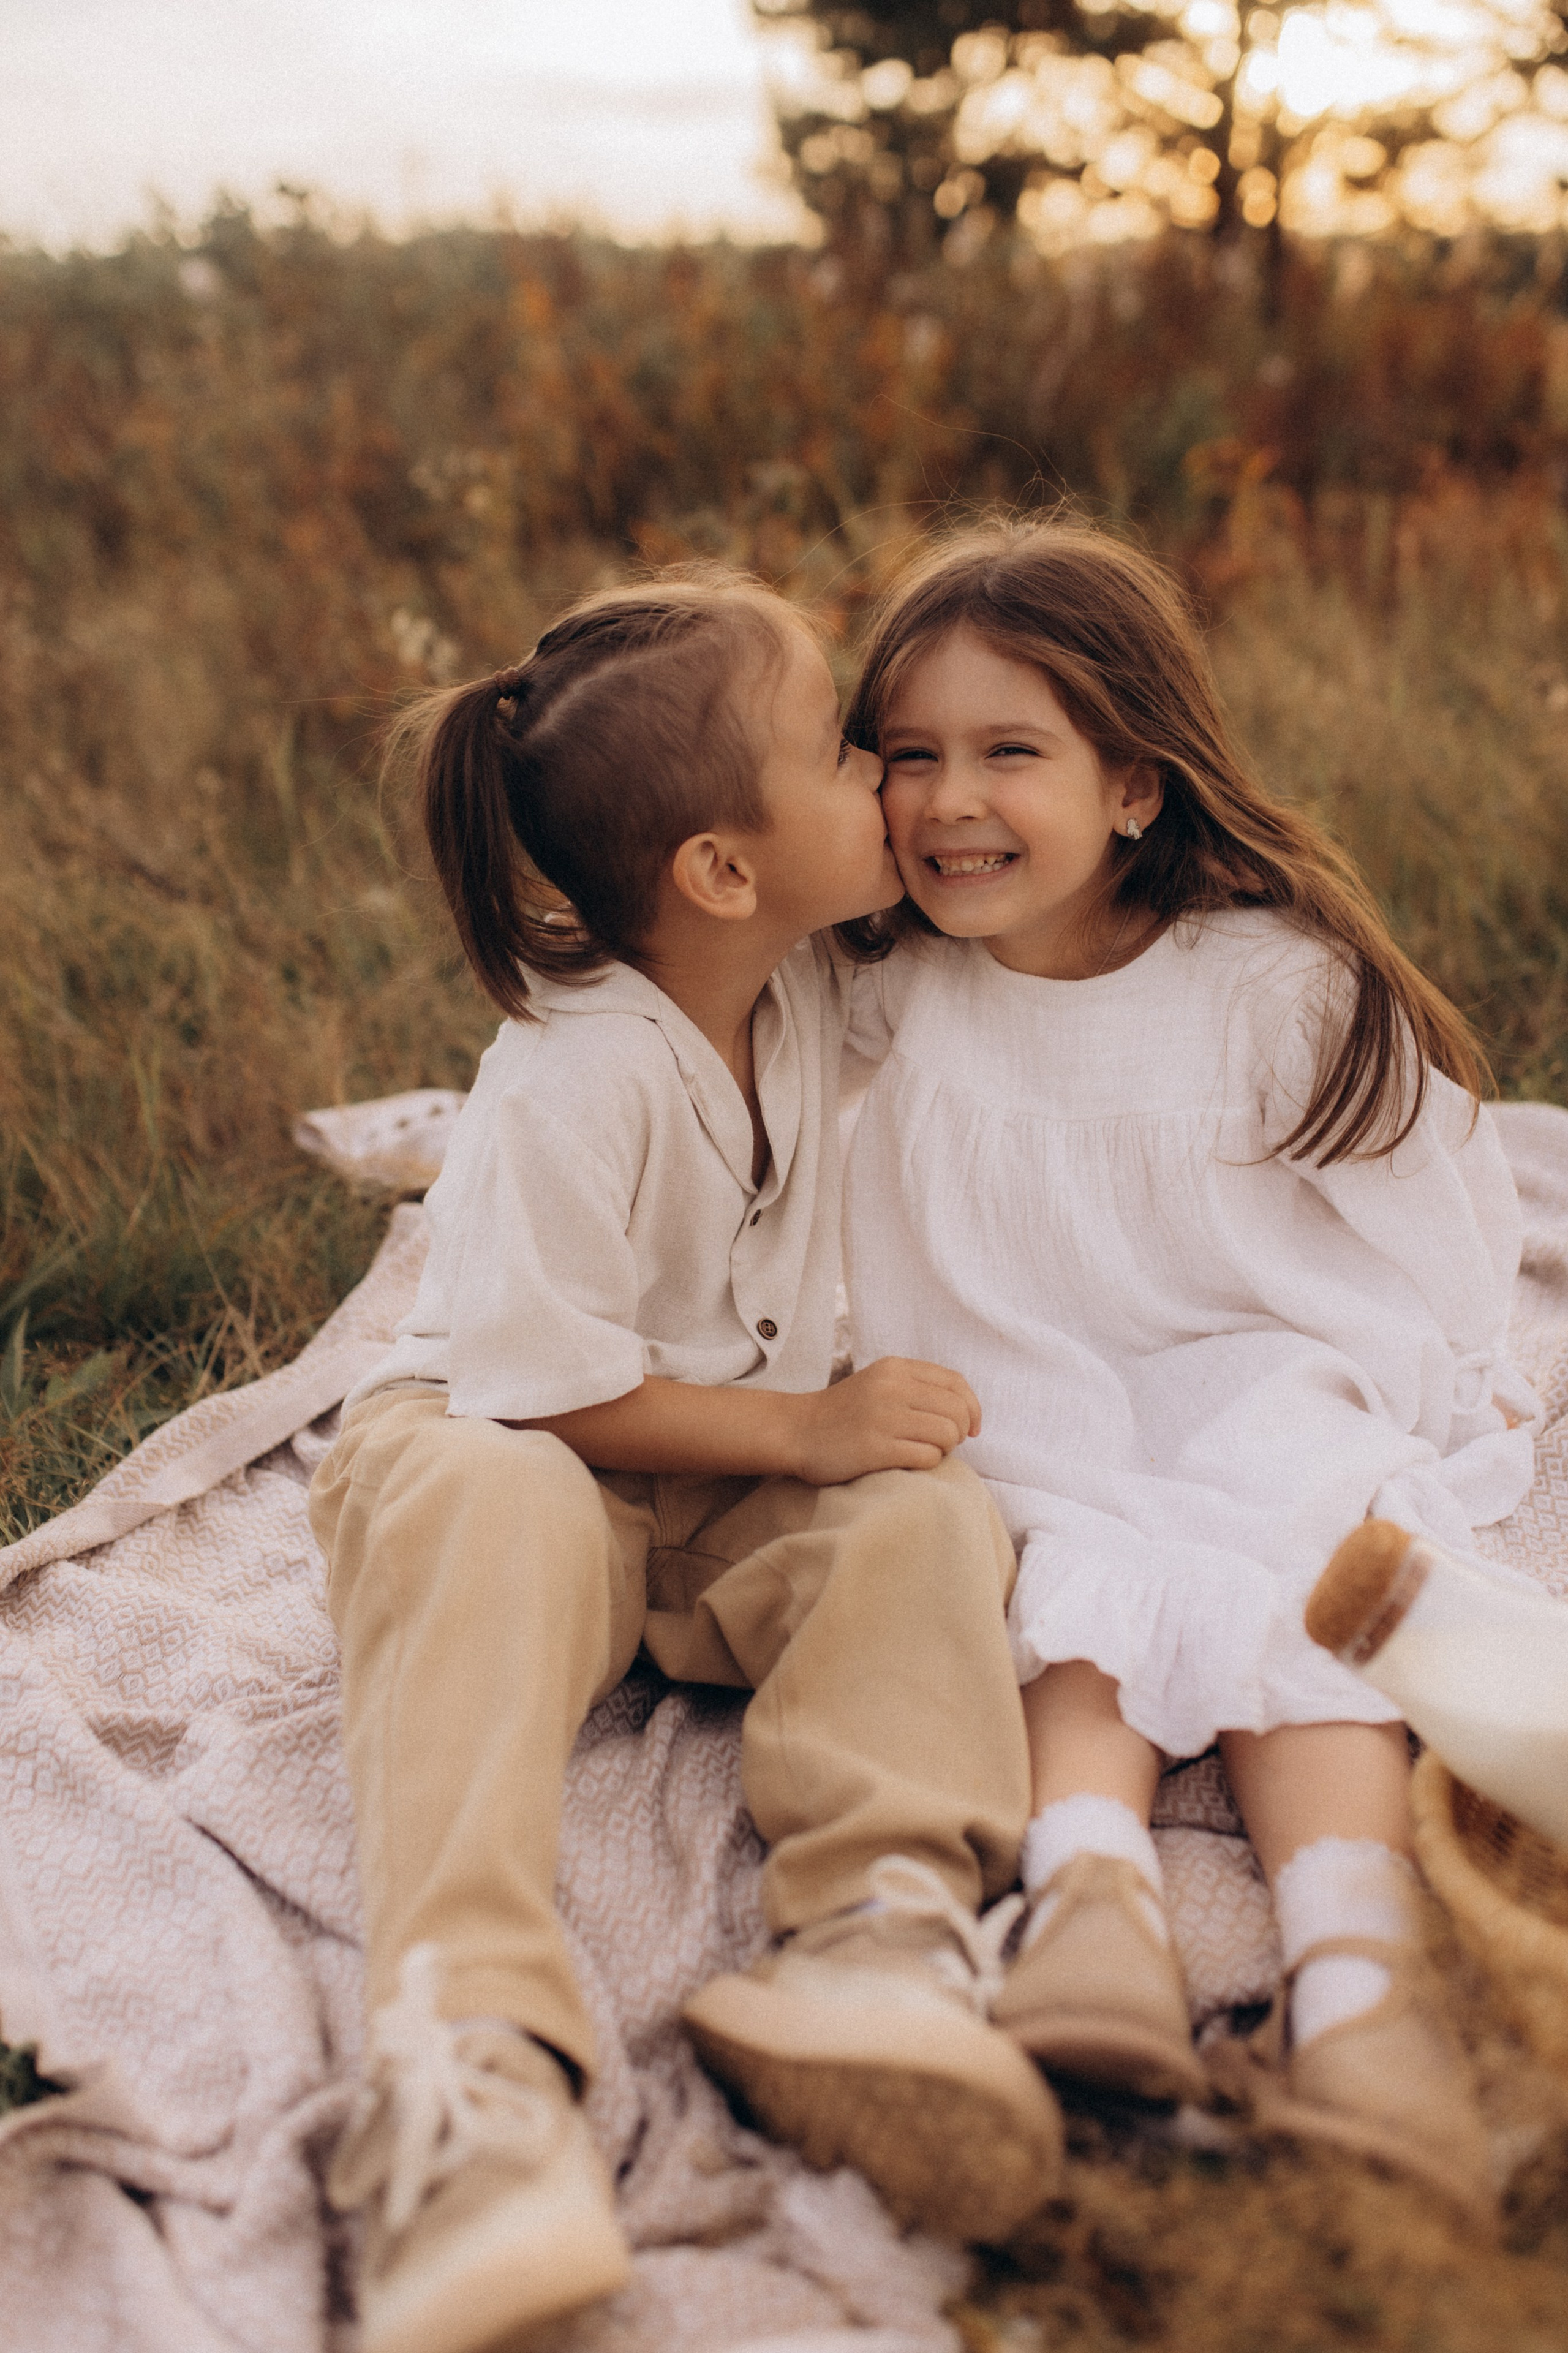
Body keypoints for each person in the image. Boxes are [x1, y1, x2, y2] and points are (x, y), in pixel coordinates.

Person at [309, 574, 1063, 2353]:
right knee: (490, 1495)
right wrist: (805, 1424)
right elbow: (540, 1390)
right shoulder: (572, 1076)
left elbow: (1007, 928)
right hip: (510, 1456)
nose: (885, 770)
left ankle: (878, 1938)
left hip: (705, 1490)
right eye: (845, 749)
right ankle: (470, 2071)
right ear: (724, 869)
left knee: (920, 1513)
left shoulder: (795, 980)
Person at [837, 518, 1540, 2226]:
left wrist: (1457, 1373)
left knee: (1302, 1545)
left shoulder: (1273, 983)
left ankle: (1356, 1979)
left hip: (1257, 1361)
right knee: (1054, 1551)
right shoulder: (892, 988)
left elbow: (1437, 1186)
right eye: (911, 755)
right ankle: (1094, 1906)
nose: (950, 801)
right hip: (1012, 1372)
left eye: (1011, 753)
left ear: (1137, 786)